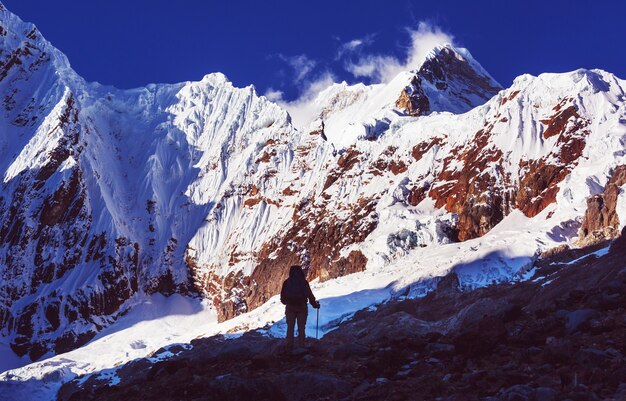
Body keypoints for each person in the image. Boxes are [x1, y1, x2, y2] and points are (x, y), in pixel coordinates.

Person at [280, 265, 320, 350]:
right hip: (302, 307)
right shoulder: (304, 282)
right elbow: (310, 295)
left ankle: (289, 346)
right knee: (301, 327)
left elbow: (283, 298)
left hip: (290, 307)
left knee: (290, 327)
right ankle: (301, 346)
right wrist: (315, 305)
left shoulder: (287, 282)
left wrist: (287, 302)